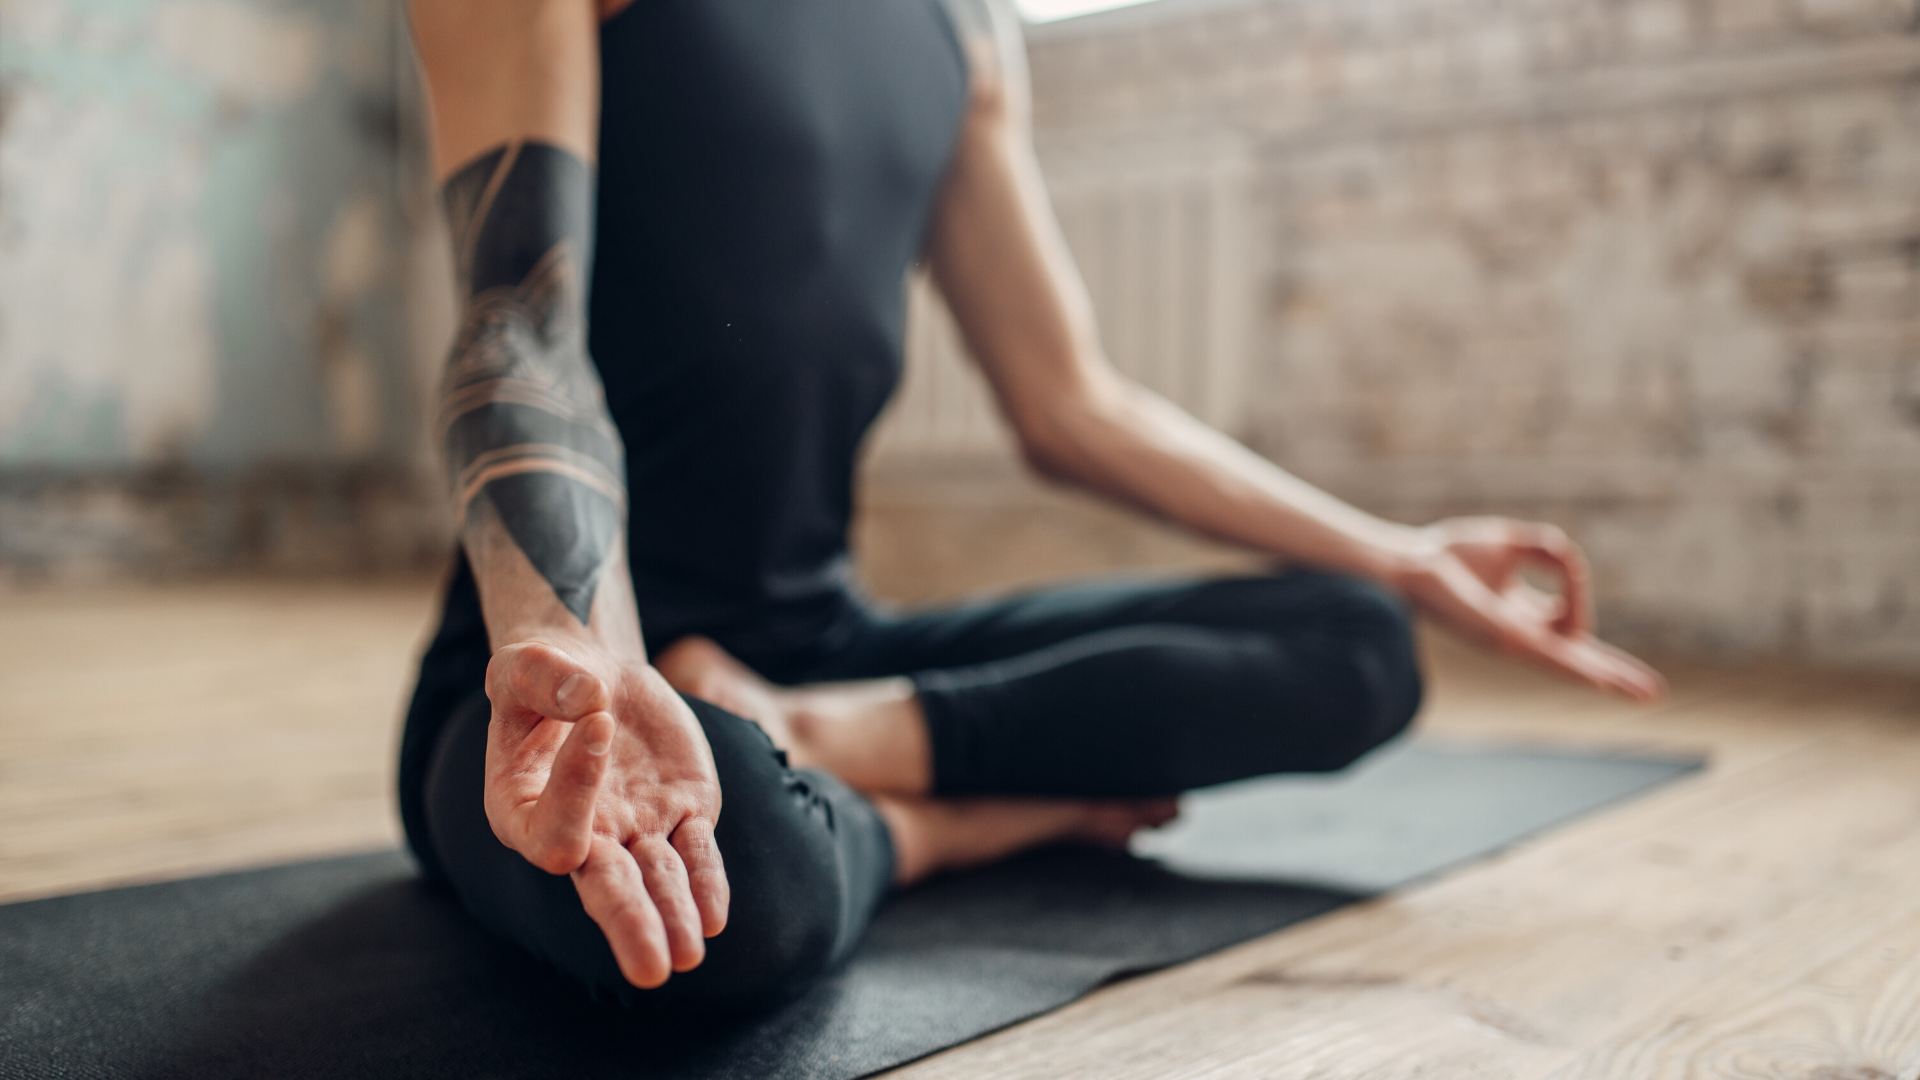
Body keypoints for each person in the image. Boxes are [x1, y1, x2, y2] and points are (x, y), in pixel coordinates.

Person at [400, 0, 1665, 1013]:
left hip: (821, 654)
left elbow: (1072, 403)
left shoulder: (963, 30)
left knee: (1360, 639)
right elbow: (523, 327)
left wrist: (1404, 556)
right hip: (547, 679)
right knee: (730, 901)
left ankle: (835, 744)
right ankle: (952, 825)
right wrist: (589, 662)